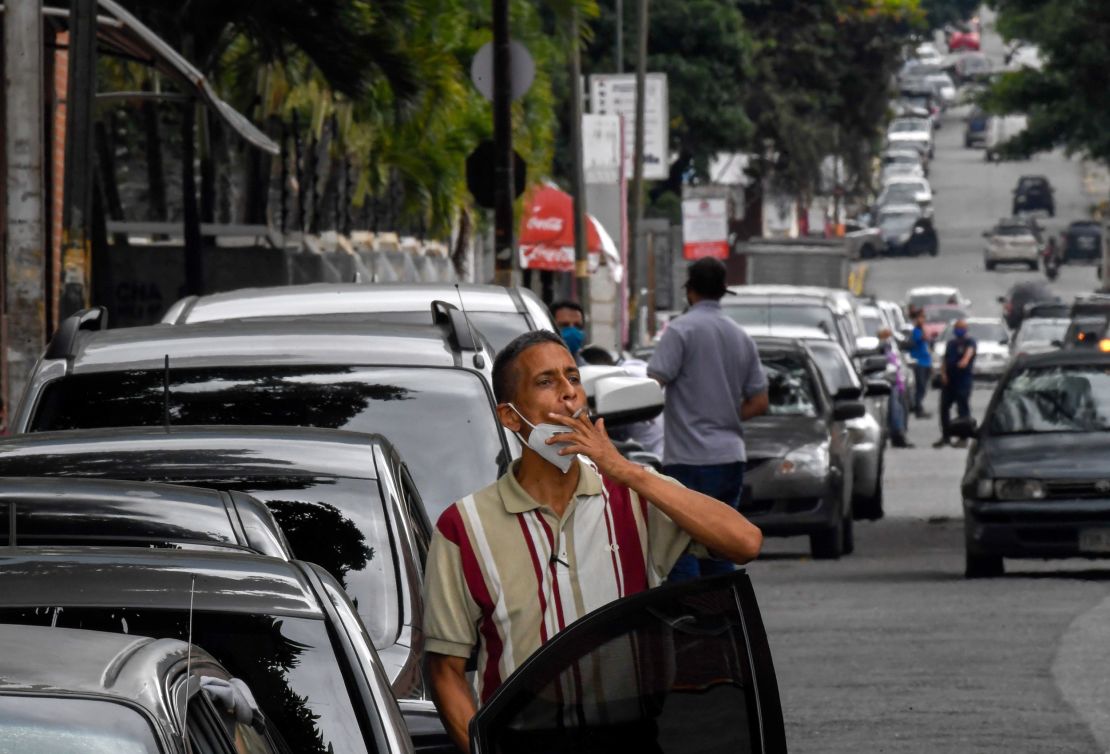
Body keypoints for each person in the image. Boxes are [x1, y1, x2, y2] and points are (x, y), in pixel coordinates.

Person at [422, 330, 763, 753]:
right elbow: (444, 669)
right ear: (510, 417)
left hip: (631, 738)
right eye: (546, 383)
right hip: (525, 741)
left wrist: (628, 471)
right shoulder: (464, 527)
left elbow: (744, 542)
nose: (568, 394)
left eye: (573, 378)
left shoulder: (634, 496)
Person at [646, 257, 769, 583]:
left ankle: (690, 622)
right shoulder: (741, 336)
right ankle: (719, 621)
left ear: (690, 291)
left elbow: (652, 384)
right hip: (730, 457)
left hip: (688, 458)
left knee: (680, 547)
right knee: (720, 545)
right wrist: (726, 414)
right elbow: (759, 401)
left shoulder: (681, 330)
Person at [933, 318, 976, 448]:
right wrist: (944, 374)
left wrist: (964, 361)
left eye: (961, 328)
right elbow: (945, 360)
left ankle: (963, 438)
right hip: (949, 381)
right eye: (957, 328)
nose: (959, 330)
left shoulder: (970, 342)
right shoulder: (951, 343)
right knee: (944, 408)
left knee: (962, 409)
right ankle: (946, 436)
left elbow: (969, 353)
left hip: (963, 380)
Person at [879, 327, 913, 448]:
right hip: (892, 383)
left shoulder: (893, 349)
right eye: (886, 336)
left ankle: (900, 434)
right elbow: (890, 368)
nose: (888, 339)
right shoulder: (883, 350)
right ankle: (897, 435)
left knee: (901, 409)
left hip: (898, 383)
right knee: (895, 411)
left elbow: (899, 365)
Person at [908, 308, 932, 418]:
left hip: (926, 362)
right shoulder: (915, 331)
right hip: (919, 363)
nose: (923, 320)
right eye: (921, 317)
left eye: (924, 317)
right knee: (920, 386)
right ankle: (918, 408)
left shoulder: (921, 330)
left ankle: (919, 405)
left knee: (924, 386)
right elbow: (919, 340)